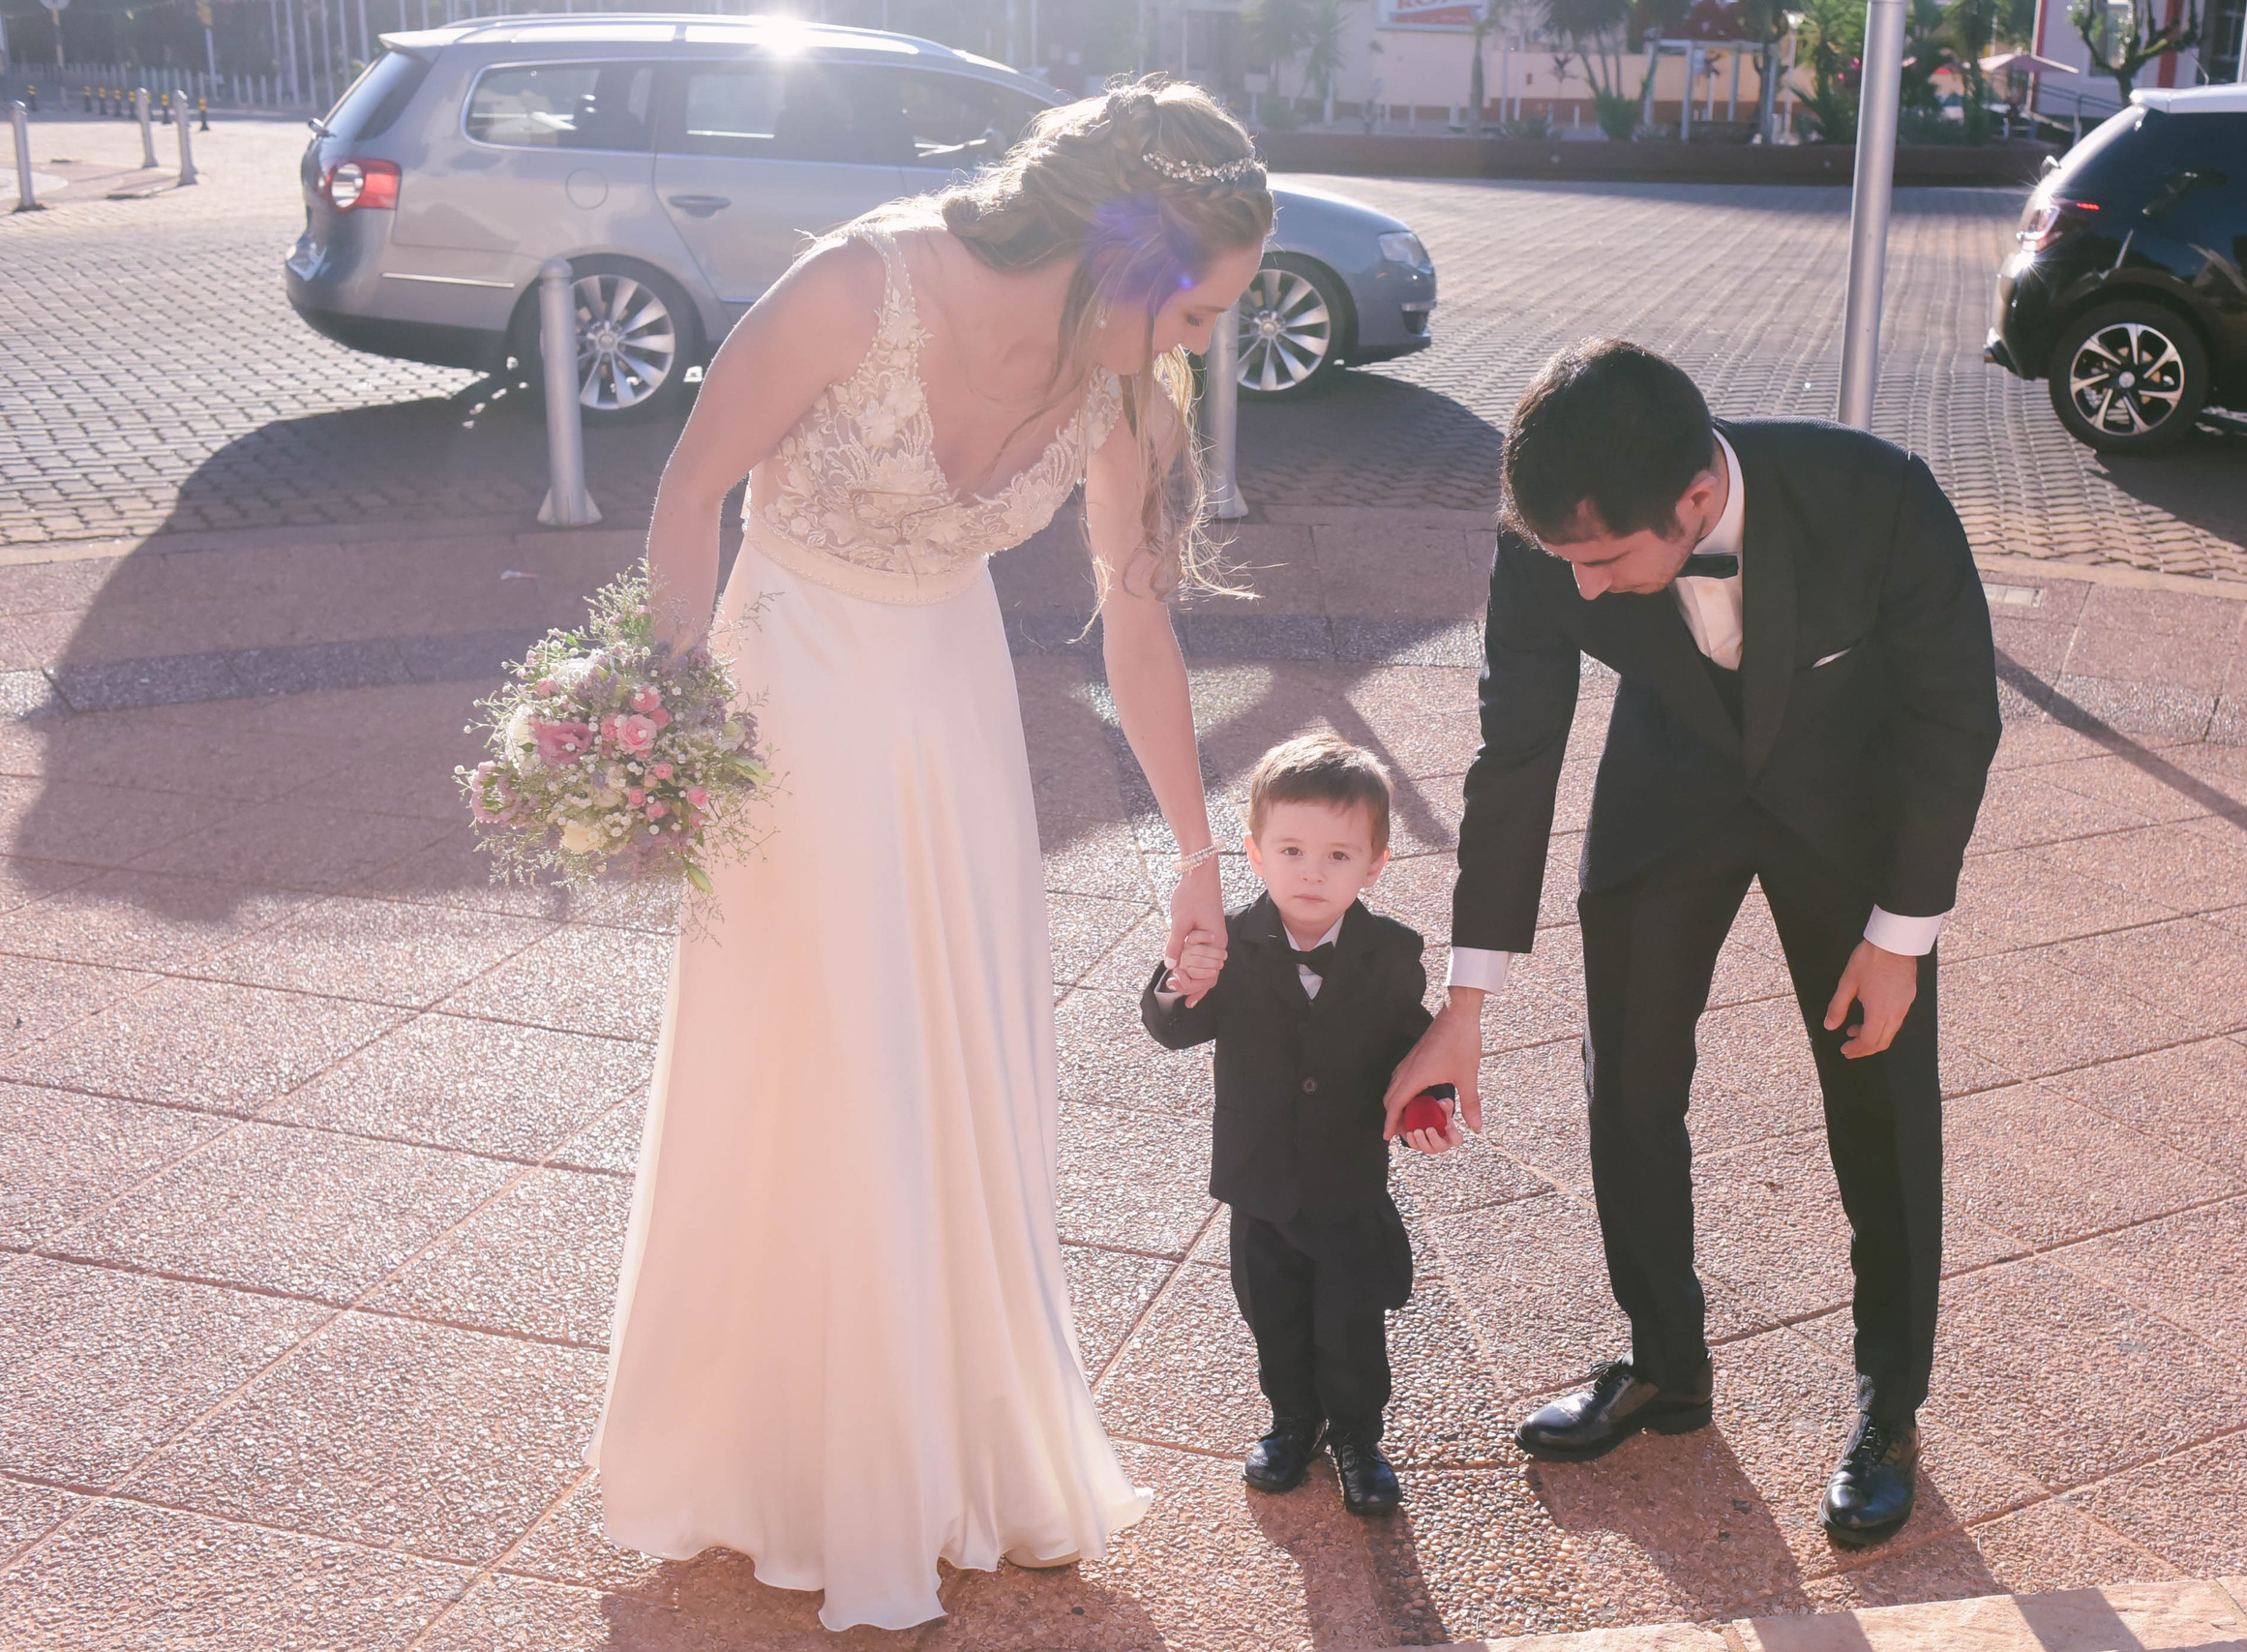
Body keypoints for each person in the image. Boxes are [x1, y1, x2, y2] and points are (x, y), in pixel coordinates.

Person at [585, 80, 1274, 1632]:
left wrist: (1190, 848)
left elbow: (1142, 627)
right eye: (1197, 310)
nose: (1196, 347)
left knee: (952, 1052)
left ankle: (956, 1449)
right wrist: (670, 722)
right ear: (1128, 257)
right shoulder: (857, 285)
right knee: (826, 1056)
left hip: (949, 710)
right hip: (791, 681)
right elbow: (692, 485)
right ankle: (792, 1463)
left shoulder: (1125, 403)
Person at [1386, 340, 2000, 1548]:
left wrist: (1900, 938)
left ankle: (1889, 1405)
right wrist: (1464, 1000)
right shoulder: (1549, 536)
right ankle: (1663, 1364)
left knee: (1878, 1101)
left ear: (1697, 500)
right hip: (1667, 796)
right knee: (1627, 1083)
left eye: (1608, 562)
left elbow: (1953, 718)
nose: (1590, 589)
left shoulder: (1877, 498)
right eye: (1570, 566)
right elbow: (1516, 753)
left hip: (1845, 809)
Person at [1140, 735, 1453, 1517]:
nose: (1312, 871)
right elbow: (1173, 1026)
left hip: (1347, 1179)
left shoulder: (1389, 957)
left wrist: (1426, 1096)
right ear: (1253, 852)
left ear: (1376, 863)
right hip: (1260, 1181)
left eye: (1339, 855)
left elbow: (1412, 1042)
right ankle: (1290, 1422)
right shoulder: (1229, 945)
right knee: (1272, 1312)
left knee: (1349, 1318)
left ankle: (1355, 1434)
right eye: (1291, 849)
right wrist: (1182, 983)